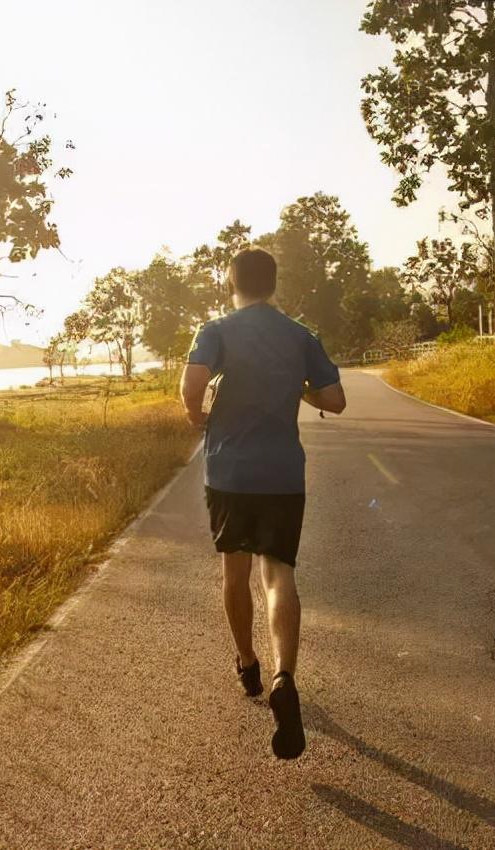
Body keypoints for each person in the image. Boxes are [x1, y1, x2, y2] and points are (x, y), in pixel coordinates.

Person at [179, 247, 346, 760]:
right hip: (281, 475)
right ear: (273, 284)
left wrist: (196, 415)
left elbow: (192, 385)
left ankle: (248, 663)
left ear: (232, 284)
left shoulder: (217, 329)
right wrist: (298, 390)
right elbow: (335, 399)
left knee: (235, 573)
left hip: (229, 473)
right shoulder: (300, 335)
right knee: (279, 576)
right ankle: (284, 678)